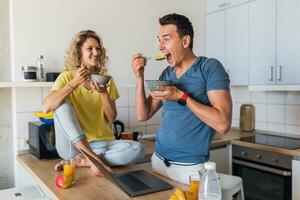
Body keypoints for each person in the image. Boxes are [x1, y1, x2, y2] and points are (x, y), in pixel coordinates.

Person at [131, 13, 232, 184]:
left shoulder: (210, 68)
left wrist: (181, 96)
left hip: (190, 169)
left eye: (166, 39)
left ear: (185, 41)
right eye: (159, 40)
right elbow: (143, 114)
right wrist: (139, 76)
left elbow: (223, 124)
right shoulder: (166, 73)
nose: (160, 47)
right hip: (159, 162)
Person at [43, 30, 144, 175]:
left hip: (103, 144)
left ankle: (85, 161)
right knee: (61, 106)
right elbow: (47, 106)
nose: (95, 53)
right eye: (90, 49)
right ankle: (92, 159)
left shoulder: (106, 80)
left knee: (137, 149)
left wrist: (103, 93)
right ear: (79, 53)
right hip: (74, 147)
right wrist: (74, 83)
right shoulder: (66, 77)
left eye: (98, 49)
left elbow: (111, 118)